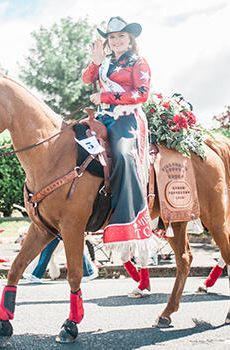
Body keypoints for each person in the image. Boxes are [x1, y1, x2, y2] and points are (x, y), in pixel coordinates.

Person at [82, 16, 158, 297]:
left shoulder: (138, 63)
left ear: (130, 39)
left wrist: (107, 98)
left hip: (127, 119)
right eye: (112, 37)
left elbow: (142, 94)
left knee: (124, 156)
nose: (116, 41)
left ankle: (129, 213)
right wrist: (96, 62)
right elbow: (87, 79)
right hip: (102, 118)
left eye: (121, 37)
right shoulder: (106, 62)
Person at [23, 239, 99, 283]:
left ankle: (88, 272)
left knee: (71, 244)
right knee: (49, 246)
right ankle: (36, 274)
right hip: (59, 220)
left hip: (63, 220)